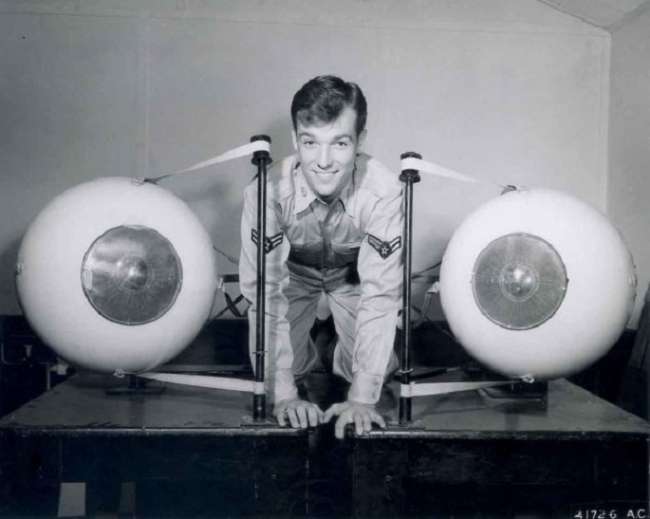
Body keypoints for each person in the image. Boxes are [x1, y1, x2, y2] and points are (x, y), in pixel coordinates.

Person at [239, 75, 402, 439]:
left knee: (377, 368)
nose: (324, 162)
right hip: (293, 277)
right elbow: (263, 295)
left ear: (360, 140)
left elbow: (381, 295)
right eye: (310, 143)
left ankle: (331, 347)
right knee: (286, 370)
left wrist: (361, 399)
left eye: (340, 143)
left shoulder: (386, 191)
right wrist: (284, 396)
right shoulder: (265, 191)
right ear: (295, 139)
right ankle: (314, 343)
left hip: (352, 278)